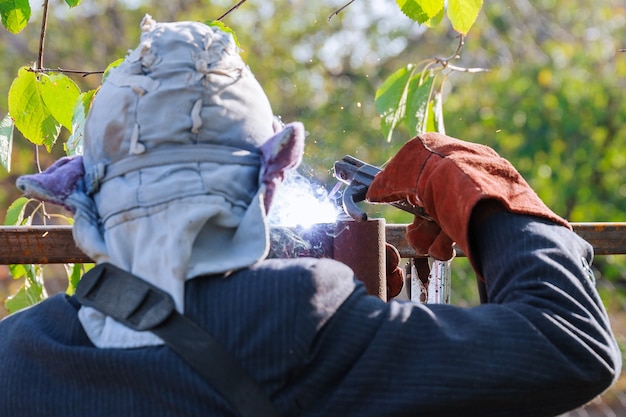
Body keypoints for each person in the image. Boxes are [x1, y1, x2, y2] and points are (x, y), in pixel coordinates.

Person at [0, 16, 620, 417]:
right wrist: (480, 188)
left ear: (80, 192)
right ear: (271, 179)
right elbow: (570, 344)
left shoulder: (19, 355)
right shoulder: (310, 326)